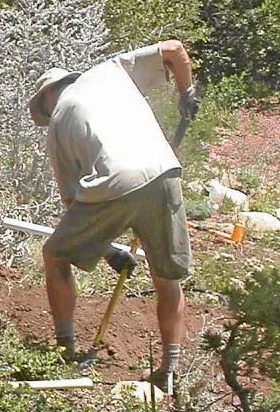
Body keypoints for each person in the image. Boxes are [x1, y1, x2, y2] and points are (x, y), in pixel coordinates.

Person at [28, 40, 200, 391]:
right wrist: (187, 92)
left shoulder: (58, 121)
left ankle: (65, 350)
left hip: (114, 184)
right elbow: (174, 49)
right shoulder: (112, 70)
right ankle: (169, 371)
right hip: (164, 171)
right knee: (166, 276)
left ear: (47, 96)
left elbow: (73, 200)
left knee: (55, 255)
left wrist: (107, 250)